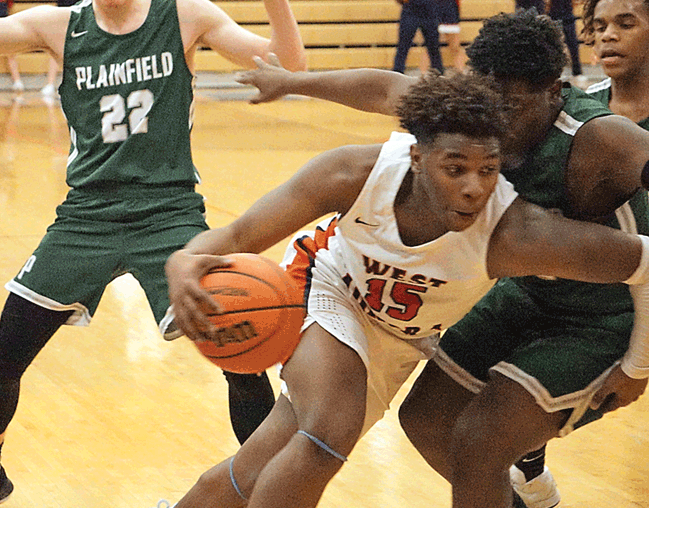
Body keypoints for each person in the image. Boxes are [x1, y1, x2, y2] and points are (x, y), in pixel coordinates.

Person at [0, 0, 305, 508]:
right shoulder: (59, 26)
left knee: (239, 350)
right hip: (86, 217)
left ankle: (272, 493)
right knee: (5, 349)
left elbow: (287, 65)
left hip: (169, 215)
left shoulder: (184, 14)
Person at [165, 70, 648, 508]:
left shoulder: (516, 234)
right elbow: (235, 237)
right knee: (329, 433)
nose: (473, 187)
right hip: (328, 289)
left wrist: (639, 363)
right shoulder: (353, 173)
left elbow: (651, 261)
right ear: (416, 156)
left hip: (403, 338)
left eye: (488, 169)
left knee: (254, 468)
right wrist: (182, 261)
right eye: (455, 168)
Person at [508, 0, 649, 507]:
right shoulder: (577, 110)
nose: (606, 36)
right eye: (598, 28)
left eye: (626, 24)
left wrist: (644, 361)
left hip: (644, 306)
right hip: (577, 294)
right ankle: (535, 476)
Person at [40, 0, 90, 103]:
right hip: (61, 13)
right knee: (56, 47)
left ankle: (81, 81)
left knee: (81, 47)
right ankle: (50, 83)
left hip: (79, 11)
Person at [546, 0, 583, 85]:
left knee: (573, 44)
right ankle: (551, 73)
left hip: (568, 18)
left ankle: (577, 72)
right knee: (552, 46)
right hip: (553, 17)